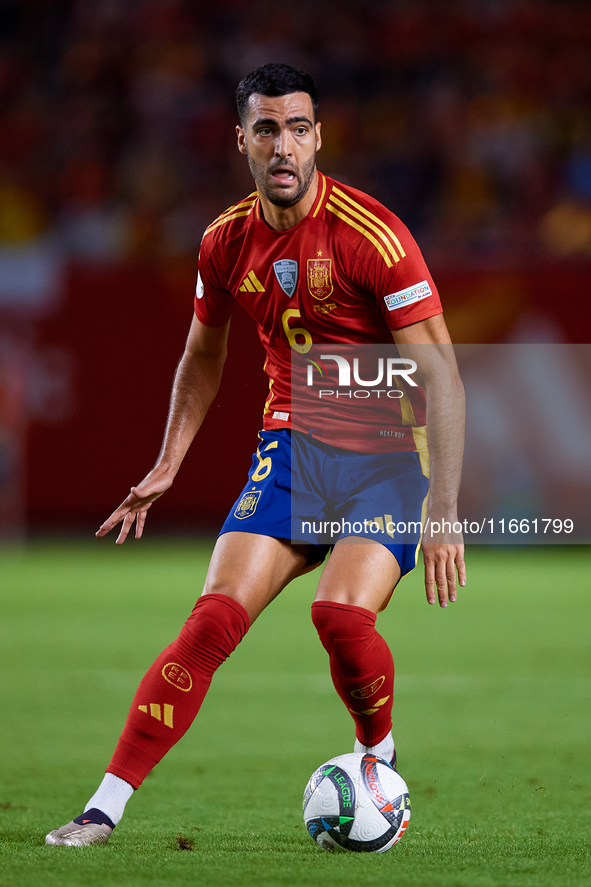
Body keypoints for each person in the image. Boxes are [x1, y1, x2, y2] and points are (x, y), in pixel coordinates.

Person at [46, 63, 465, 847]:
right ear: (241, 138)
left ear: (317, 137)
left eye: (298, 128)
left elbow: (441, 375)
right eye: (266, 128)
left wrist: (441, 511)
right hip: (289, 453)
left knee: (339, 615)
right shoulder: (223, 241)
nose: (283, 145)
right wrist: (170, 460)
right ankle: (103, 807)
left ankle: (378, 753)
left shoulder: (372, 235)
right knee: (210, 622)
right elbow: (202, 355)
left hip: (380, 458)